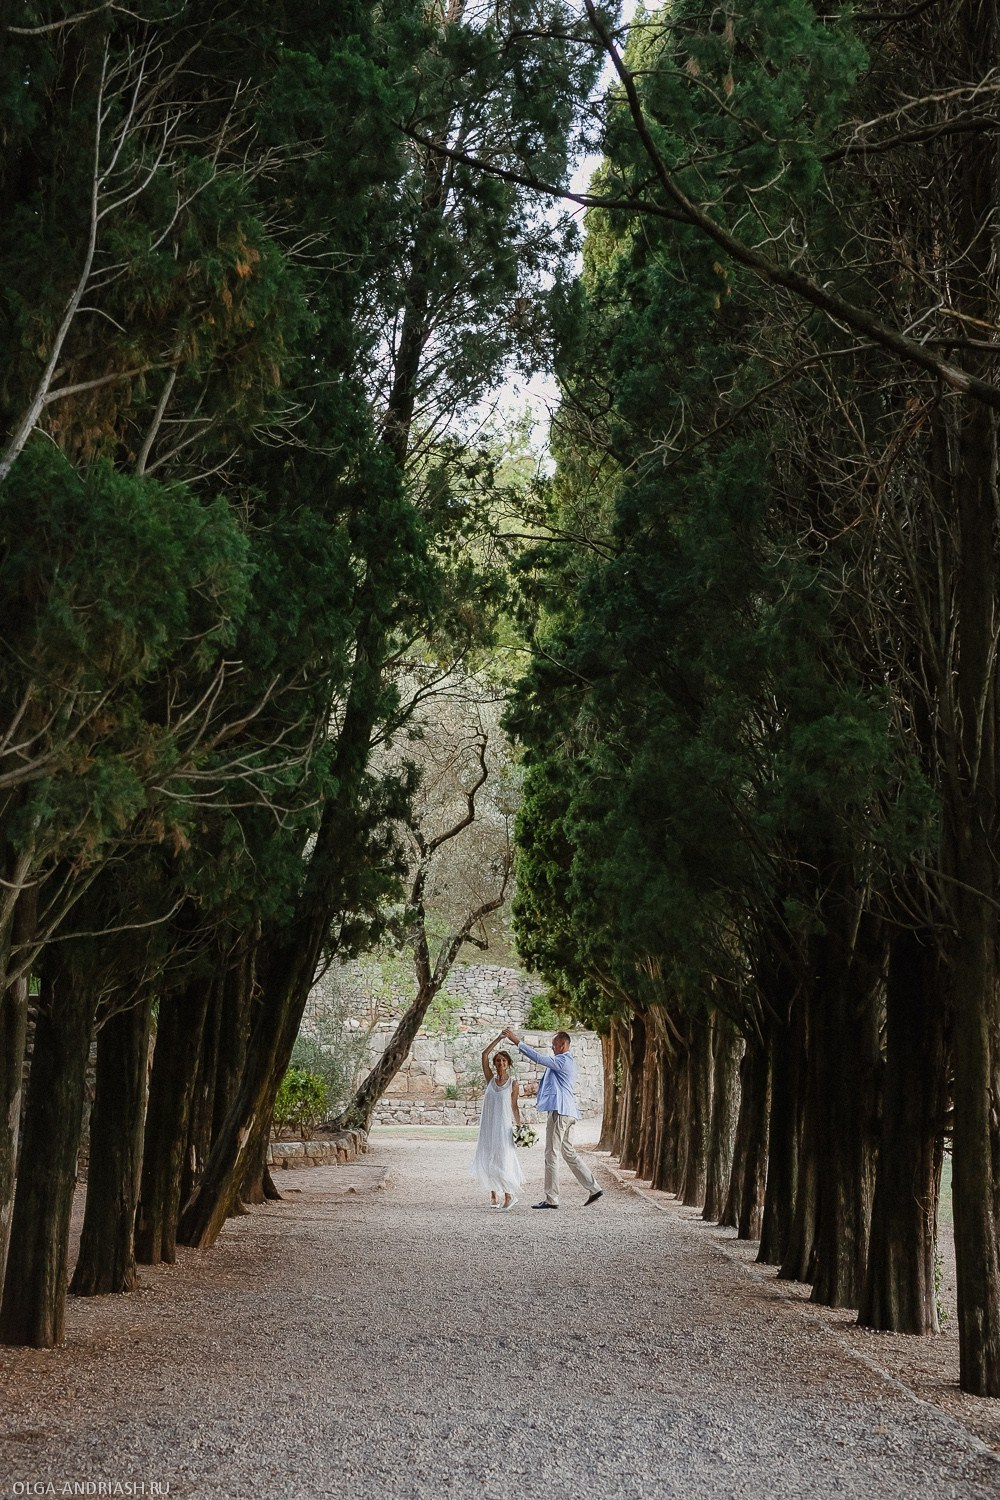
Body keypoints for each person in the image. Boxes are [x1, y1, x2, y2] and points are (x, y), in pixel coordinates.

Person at [502, 1027, 602, 1209]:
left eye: (554, 1045)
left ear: (563, 1044)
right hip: (568, 1112)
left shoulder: (562, 1060)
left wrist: (516, 1041)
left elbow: (539, 1058)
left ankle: (551, 1199)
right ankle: (594, 1188)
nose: (552, 1048)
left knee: (551, 1154)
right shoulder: (566, 1061)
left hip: (560, 1112)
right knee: (568, 1152)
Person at [469, 1034, 526, 1211]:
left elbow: (514, 1106)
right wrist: (499, 1038)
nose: (500, 1063)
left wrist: (520, 1126)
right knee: (488, 1155)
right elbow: (484, 1055)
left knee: (503, 1159)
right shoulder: (490, 1080)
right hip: (488, 1125)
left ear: (508, 1064)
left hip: (503, 1126)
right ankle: (493, 1194)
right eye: (498, 1061)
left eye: (503, 1061)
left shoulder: (513, 1084)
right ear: (495, 1064)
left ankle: (509, 1195)